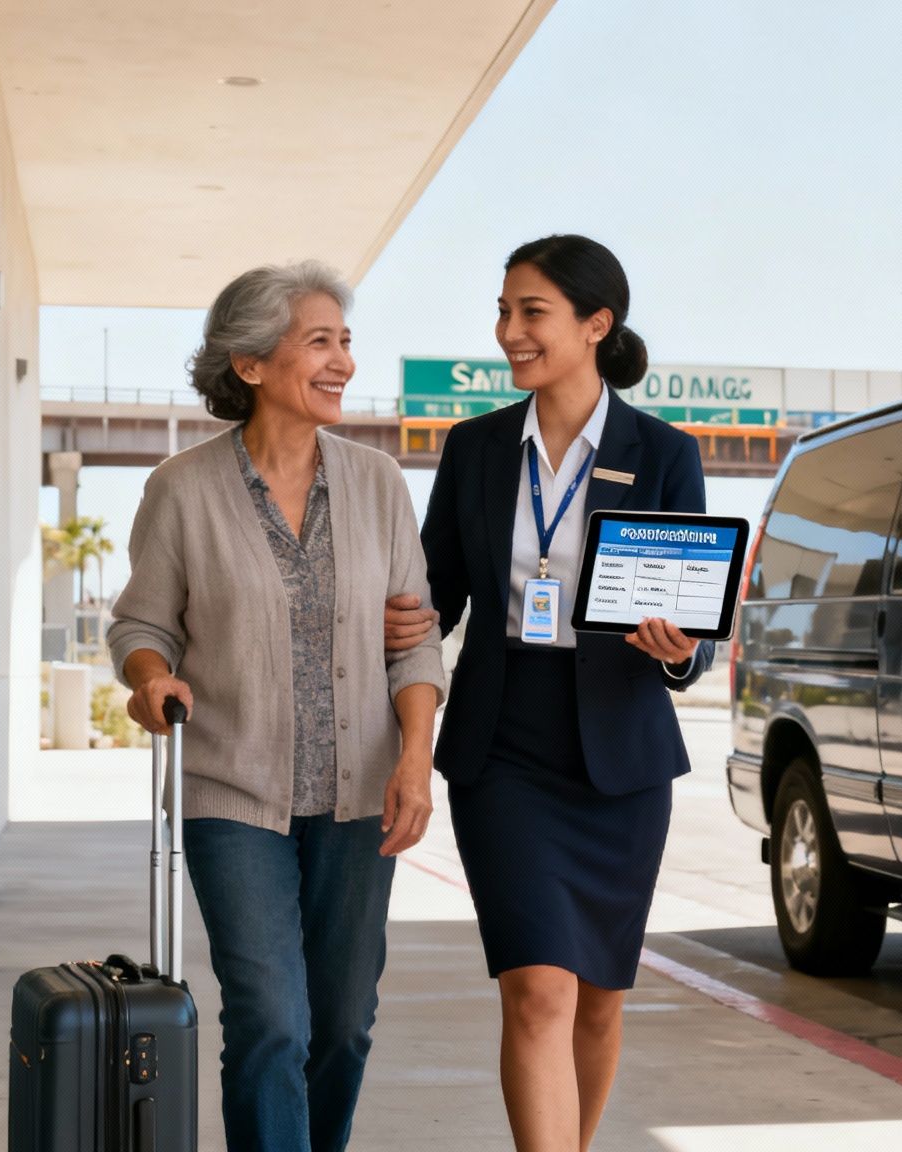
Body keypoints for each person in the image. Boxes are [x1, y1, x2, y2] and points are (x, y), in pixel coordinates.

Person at [109, 260, 445, 1152]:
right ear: (251, 364)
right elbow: (141, 623)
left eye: (346, 342)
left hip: (360, 797)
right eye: (320, 341)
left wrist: (415, 758)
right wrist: (151, 678)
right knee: (271, 1023)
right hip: (232, 793)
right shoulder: (181, 489)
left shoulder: (379, 486)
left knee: (340, 1027)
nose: (343, 362)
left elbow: (414, 637)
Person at [385, 234, 711, 1151]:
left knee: (599, 1002)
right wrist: (397, 621)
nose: (508, 332)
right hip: (504, 746)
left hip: (620, 749)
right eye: (503, 310)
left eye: (531, 312)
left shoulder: (663, 453)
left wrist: (679, 652)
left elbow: (693, 632)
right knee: (537, 989)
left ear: (595, 325)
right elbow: (436, 593)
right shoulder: (478, 448)